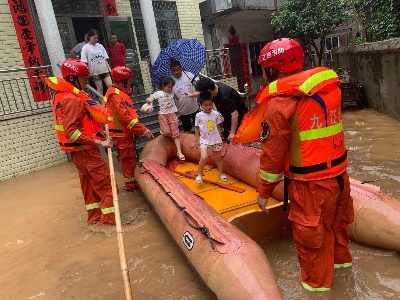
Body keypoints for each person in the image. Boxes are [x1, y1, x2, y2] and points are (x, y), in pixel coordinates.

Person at [248, 38, 354, 291]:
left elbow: (273, 155)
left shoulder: (281, 103)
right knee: (338, 235)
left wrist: (263, 193)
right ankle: (346, 287)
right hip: (340, 180)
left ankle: (318, 294)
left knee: (312, 250)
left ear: (273, 68)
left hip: (311, 188)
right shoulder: (329, 90)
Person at [47, 59, 116, 225]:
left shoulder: (60, 95)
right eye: (84, 78)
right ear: (73, 79)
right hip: (86, 151)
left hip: (78, 154)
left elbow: (84, 124)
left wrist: (100, 135)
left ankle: (94, 218)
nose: (87, 81)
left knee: (89, 187)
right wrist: (100, 143)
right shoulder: (73, 99)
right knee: (107, 186)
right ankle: (110, 223)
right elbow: (72, 133)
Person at [104, 66, 154, 191]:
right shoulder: (115, 95)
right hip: (121, 135)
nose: (130, 84)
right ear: (122, 81)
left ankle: (132, 183)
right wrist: (143, 129)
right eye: (128, 81)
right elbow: (125, 118)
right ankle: (131, 186)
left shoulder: (118, 93)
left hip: (125, 133)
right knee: (127, 161)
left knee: (130, 160)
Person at [195, 77, 248, 142]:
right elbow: (201, 93)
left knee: (236, 139)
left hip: (240, 118)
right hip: (227, 116)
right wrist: (191, 95)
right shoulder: (213, 87)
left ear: (208, 91)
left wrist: (232, 133)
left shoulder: (225, 96)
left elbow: (235, 115)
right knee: (226, 136)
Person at [147, 76, 185, 160]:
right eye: (168, 87)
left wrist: (180, 97)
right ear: (163, 85)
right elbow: (151, 98)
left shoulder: (172, 93)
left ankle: (179, 151)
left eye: (171, 87)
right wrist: (149, 101)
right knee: (166, 132)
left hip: (172, 114)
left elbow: (177, 98)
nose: (170, 89)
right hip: (163, 115)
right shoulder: (158, 93)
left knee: (175, 133)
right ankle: (169, 135)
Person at [194, 91, 227, 184]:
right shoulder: (198, 115)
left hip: (215, 139)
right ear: (200, 105)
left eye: (210, 104)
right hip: (204, 140)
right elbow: (196, 128)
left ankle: (221, 174)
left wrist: (220, 137)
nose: (208, 107)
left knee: (218, 158)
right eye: (205, 105)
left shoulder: (216, 114)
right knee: (204, 157)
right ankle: (199, 174)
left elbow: (218, 126)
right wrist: (197, 139)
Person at [80, 28, 112, 97]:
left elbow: (105, 59)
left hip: (104, 69)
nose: (96, 40)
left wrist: (109, 69)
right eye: (94, 38)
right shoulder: (85, 47)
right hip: (94, 71)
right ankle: (102, 104)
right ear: (90, 37)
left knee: (110, 85)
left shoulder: (100, 46)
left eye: (97, 38)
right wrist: (87, 72)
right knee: (100, 88)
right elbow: (84, 62)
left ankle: (113, 100)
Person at [169, 59, 199, 133]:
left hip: (194, 107)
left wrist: (195, 83)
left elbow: (198, 83)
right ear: (171, 71)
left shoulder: (188, 75)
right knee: (187, 130)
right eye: (174, 70)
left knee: (199, 127)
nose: (176, 72)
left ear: (181, 68)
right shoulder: (170, 80)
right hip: (182, 110)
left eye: (178, 69)